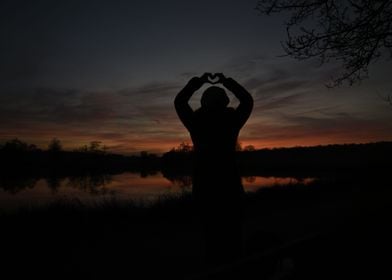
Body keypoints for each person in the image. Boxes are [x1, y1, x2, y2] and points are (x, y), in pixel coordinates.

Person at [175, 73, 253, 267]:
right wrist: (226, 81)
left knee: (211, 234)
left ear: (203, 102)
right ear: (226, 102)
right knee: (233, 233)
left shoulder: (196, 122)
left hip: (205, 184)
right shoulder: (232, 120)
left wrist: (198, 82)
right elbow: (247, 100)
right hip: (229, 183)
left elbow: (180, 102)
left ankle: (215, 267)